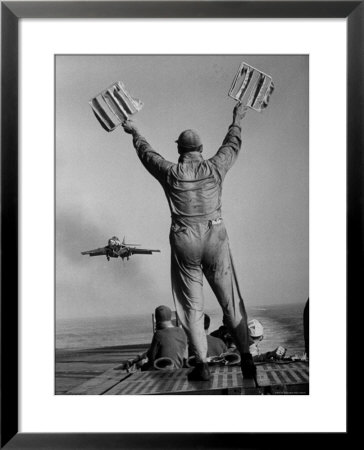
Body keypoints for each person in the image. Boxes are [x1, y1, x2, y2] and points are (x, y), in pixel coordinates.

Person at [122, 102, 255, 381]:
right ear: (201, 149)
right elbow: (231, 145)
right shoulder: (215, 168)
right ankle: (246, 357)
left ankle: (202, 365)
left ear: (180, 151)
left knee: (192, 307)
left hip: (185, 240)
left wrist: (135, 132)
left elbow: (148, 155)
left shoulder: (171, 173)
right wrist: (237, 117)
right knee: (230, 302)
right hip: (215, 236)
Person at [142, 305, 187, 370]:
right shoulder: (181, 331)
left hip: (162, 370)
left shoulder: (158, 334)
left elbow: (152, 357)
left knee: (144, 366)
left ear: (157, 319)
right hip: (178, 368)